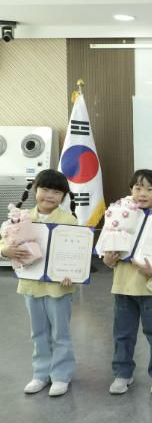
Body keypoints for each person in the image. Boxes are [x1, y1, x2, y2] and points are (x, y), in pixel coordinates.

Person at [0, 169, 77, 397]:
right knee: (38, 332)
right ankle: (41, 374)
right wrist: (5, 250)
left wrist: (72, 272)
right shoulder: (21, 217)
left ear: (63, 196)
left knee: (60, 333)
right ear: (35, 190)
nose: (50, 195)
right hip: (31, 285)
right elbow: (4, 241)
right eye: (45, 189)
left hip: (59, 287)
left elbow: (76, 253)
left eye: (57, 192)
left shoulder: (69, 220)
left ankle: (61, 375)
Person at [103, 169, 152, 395]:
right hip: (123, 287)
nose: (143, 193)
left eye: (150, 189)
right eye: (138, 188)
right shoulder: (118, 214)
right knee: (123, 334)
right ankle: (122, 374)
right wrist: (108, 260)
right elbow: (107, 253)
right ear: (130, 190)